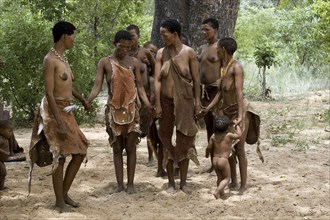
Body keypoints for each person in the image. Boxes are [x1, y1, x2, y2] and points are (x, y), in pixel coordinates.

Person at [30, 21, 90, 212]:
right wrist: (58, 122)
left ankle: (63, 194)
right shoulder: (50, 60)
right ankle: (59, 201)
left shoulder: (63, 59)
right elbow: (49, 93)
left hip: (66, 110)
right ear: (65, 35)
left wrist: (82, 100)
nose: (74, 39)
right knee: (60, 156)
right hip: (54, 110)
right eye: (73, 35)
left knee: (80, 152)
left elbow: (68, 87)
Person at [87, 30, 153, 194]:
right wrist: (88, 100)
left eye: (127, 47)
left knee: (131, 147)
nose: (124, 49)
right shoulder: (105, 62)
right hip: (113, 111)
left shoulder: (134, 63)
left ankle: (130, 184)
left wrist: (148, 104)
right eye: (121, 46)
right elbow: (97, 86)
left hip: (131, 110)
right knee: (117, 148)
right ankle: (119, 184)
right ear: (114, 43)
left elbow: (139, 87)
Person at [198, 37, 261, 195]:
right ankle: (233, 181)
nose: (216, 51)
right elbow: (220, 92)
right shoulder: (223, 67)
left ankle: (243, 185)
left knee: (239, 149)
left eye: (218, 48)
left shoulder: (236, 67)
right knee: (228, 150)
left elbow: (239, 93)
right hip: (226, 112)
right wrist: (208, 109)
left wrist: (240, 116)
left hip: (238, 112)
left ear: (224, 50)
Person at [154, 19, 201, 193]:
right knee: (166, 139)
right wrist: (157, 103)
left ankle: (183, 182)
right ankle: (171, 182)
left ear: (174, 34)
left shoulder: (189, 53)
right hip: (166, 103)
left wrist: (197, 103)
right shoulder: (160, 53)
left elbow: (196, 81)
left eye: (164, 34)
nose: (162, 38)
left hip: (185, 103)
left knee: (185, 140)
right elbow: (158, 80)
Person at [126, 25, 156, 166]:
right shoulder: (123, 53)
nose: (130, 39)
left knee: (148, 124)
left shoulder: (145, 53)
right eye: (128, 36)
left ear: (138, 36)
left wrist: (152, 85)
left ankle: (151, 156)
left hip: (145, 91)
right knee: (130, 123)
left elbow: (155, 70)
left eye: (132, 36)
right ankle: (131, 151)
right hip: (128, 93)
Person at [197, 18, 221, 173]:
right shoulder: (202, 48)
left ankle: (221, 160)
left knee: (219, 127)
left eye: (208, 30)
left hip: (216, 92)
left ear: (216, 30)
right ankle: (213, 162)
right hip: (204, 92)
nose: (204, 33)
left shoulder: (220, 48)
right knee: (209, 127)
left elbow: (226, 68)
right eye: (203, 30)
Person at [205, 116, 242, 199]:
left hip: (215, 159)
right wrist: (237, 126)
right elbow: (239, 135)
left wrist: (207, 154)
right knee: (226, 178)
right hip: (223, 160)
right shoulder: (228, 135)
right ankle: (217, 191)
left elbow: (209, 147)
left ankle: (221, 194)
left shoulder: (213, 136)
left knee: (219, 177)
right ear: (228, 128)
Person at [0, 120, 10, 190]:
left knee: (3, 173)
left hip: (2, 160)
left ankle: (1, 186)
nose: (11, 134)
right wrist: (4, 152)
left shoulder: (5, 139)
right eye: (9, 131)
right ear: (1, 130)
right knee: (3, 172)